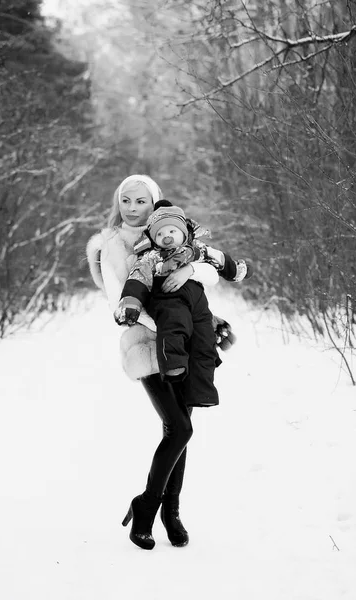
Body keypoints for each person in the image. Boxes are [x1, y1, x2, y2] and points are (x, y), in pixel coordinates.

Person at [86, 174, 250, 550]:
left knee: (180, 429)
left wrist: (189, 270)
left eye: (140, 201)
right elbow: (119, 300)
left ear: (154, 202)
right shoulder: (109, 245)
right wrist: (166, 324)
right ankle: (146, 508)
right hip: (147, 343)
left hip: (186, 342)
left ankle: (170, 512)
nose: (131, 208)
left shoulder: (174, 231)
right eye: (125, 200)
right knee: (179, 427)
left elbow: (207, 274)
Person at [113, 202, 251, 407]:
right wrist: (130, 303)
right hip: (167, 299)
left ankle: (203, 391)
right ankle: (173, 365)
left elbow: (219, 259)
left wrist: (235, 270)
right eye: (159, 234)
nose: (166, 237)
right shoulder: (150, 257)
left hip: (197, 303)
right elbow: (137, 280)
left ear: (184, 232)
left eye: (171, 231)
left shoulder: (197, 250)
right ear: (153, 238)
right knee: (174, 325)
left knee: (204, 339)